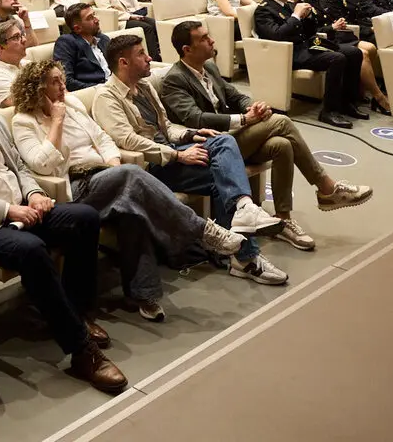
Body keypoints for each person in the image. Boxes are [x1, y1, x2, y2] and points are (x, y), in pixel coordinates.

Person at [0, 63, 127, 394]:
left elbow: (17, 165)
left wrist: (34, 193)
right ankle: (82, 351)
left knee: (85, 218)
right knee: (32, 250)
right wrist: (7, 209)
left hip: (24, 207)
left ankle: (76, 311)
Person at [10, 59, 248, 320]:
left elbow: (102, 138)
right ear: (36, 87)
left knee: (132, 212)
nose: (62, 85)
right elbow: (42, 165)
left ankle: (143, 294)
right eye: (55, 81)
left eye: (62, 78)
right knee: (132, 175)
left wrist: (112, 163)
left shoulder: (73, 106)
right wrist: (56, 122)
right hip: (75, 186)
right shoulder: (23, 121)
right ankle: (202, 230)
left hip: (105, 175)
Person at [90, 35, 288, 284]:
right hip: (151, 168)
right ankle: (246, 254)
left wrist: (190, 134)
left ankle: (242, 234)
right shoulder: (106, 98)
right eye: (141, 54)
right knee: (224, 167)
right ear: (123, 62)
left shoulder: (145, 86)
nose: (150, 57)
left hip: (173, 151)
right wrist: (178, 154)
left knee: (223, 152)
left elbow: (166, 126)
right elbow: (129, 141)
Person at [161, 21, 373, 249]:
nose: (211, 40)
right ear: (187, 49)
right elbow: (196, 118)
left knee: (281, 145)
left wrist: (254, 107)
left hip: (233, 139)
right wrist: (244, 119)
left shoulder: (209, 67)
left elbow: (234, 95)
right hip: (212, 148)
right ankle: (327, 188)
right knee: (281, 121)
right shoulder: (174, 80)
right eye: (203, 38)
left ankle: (283, 219)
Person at [255, 0, 367, 128]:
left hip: (307, 45)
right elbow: (277, 36)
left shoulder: (288, 4)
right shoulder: (264, 10)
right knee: (337, 59)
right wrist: (296, 16)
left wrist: (307, 17)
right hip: (289, 53)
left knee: (354, 52)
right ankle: (329, 111)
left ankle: (347, 102)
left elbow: (308, 32)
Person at [296, 0, 391, 114]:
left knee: (370, 48)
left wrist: (336, 24)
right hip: (324, 40)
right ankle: (378, 97)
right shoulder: (302, 3)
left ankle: (361, 91)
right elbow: (310, 32)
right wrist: (332, 27)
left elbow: (328, 21)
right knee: (363, 53)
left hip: (336, 36)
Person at [93, 0, 162, 61]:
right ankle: (154, 58)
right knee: (146, 28)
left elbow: (134, 1)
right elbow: (106, 10)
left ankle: (159, 52)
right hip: (121, 19)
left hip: (134, 14)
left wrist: (138, 11)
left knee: (153, 23)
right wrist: (129, 16)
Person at [53, 3, 111, 91]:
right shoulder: (66, 42)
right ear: (77, 28)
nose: (96, 20)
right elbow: (66, 80)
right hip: (93, 92)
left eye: (94, 15)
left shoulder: (103, 39)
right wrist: (101, 88)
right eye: (90, 18)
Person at [0, 19, 28, 107]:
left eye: (22, 35)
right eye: (16, 37)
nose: (24, 40)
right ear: (0, 48)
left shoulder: (27, 64)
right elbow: (24, 104)